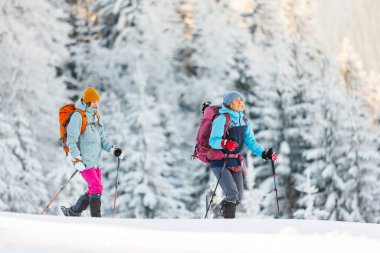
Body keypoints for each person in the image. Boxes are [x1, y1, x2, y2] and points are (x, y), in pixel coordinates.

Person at [209, 91, 277, 218]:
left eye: (241, 100)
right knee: (232, 195)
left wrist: (263, 154)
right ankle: (228, 225)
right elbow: (212, 141)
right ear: (229, 104)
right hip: (220, 161)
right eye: (237, 101)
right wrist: (224, 143)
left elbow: (250, 141)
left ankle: (215, 209)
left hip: (235, 161)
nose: (240, 102)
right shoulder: (222, 119)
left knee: (238, 197)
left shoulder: (244, 120)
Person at [61, 87, 124, 217]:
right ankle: (96, 220)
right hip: (84, 161)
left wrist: (112, 149)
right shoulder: (78, 116)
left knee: (93, 190)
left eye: (97, 101)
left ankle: (72, 212)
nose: (96, 104)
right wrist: (76, 159)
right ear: (87, 101)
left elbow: (101, 138)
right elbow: (71, 140)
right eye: (93, 101)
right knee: (96, 187)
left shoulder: (96, 115)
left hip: (96, 161)